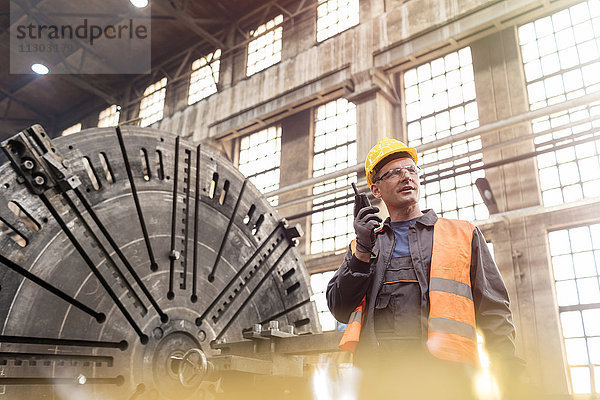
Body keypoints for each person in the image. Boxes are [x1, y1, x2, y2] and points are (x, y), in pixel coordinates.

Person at [326, 137, 523, 399]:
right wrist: (362, 250)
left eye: (411, 169)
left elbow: (494, 310)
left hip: (447, 381)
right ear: (376, 190)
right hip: (379, 383)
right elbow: (339, 308)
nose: (406, 176)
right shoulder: (364, 245)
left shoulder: (463, 234)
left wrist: (508, 370)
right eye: (395, 173)